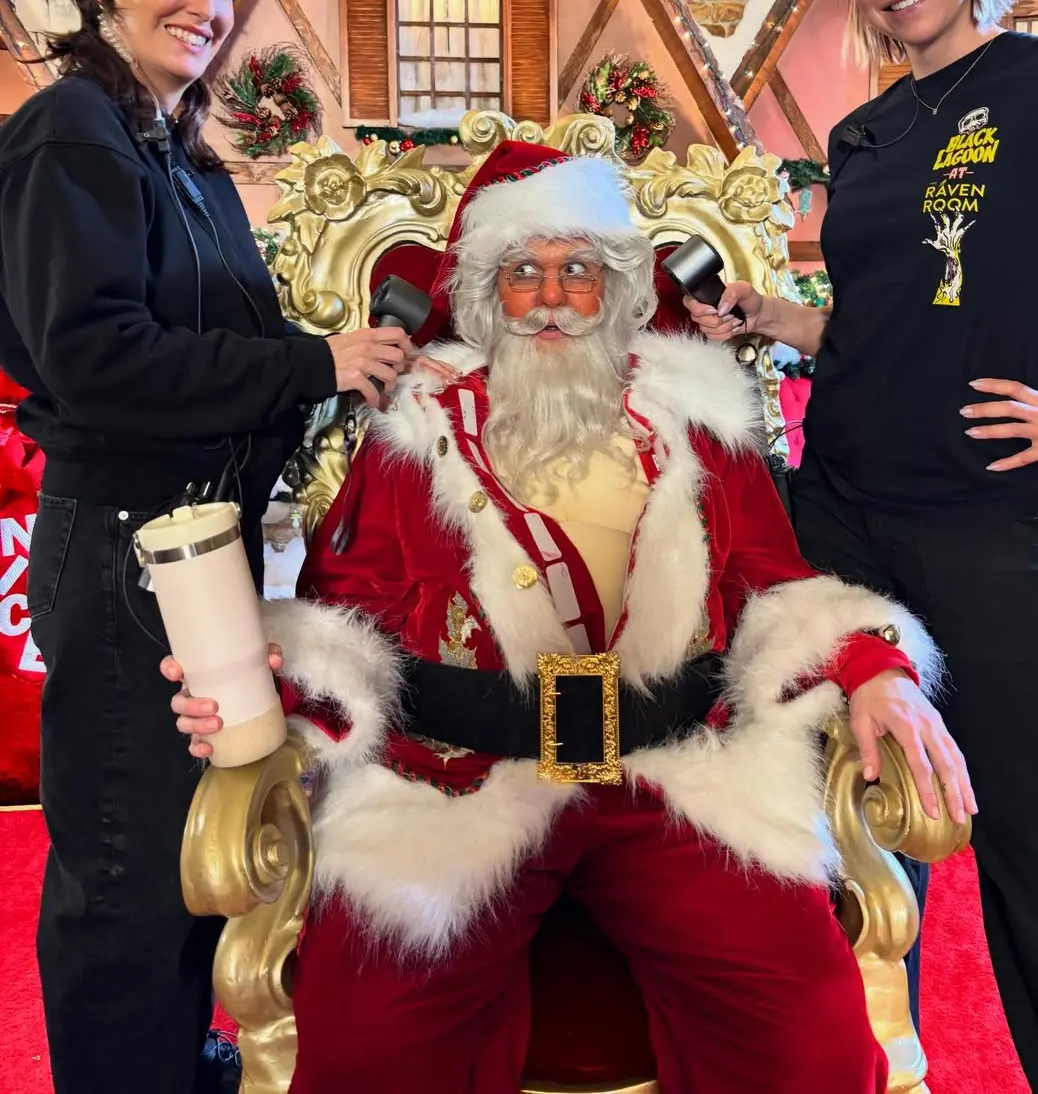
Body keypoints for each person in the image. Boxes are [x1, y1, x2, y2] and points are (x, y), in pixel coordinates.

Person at [170, 141, 974, 1094]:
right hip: (460, 780)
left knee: (812, 1042)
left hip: (675, 771)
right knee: (367, 1050)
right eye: (523, 272)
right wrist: (262, 682)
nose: (550, 297)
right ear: (486, 292)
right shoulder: (417, 430)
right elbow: (347, 610)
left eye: (578, 269)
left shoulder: (697, 420)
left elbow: (774, 580)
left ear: (617, 285)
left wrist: (875, 668)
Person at [0, 0, 412, 1094]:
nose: (206, 4)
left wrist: (346, 368)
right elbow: (97, 356)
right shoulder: (72, 130)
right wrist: (315, 361)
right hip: (124, 543)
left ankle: (177, 1056)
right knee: (124, 865)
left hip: (199, 543)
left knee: (192, 844)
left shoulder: (184, 155)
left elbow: (242, 353)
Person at [688, 0, 1038, 1094]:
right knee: (847, 833)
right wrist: (772, 316)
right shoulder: (862, 134)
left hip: (994, 524)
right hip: (843, 519)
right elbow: (880, 317)